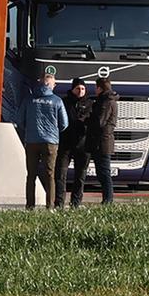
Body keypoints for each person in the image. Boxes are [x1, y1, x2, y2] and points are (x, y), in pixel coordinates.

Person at [16, 66, 68, 210]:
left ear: (40, 83)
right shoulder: (57, 101)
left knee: (31, 175)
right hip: (50, 142)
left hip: (31, 141)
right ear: (51, 85)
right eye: (54, 83)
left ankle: (30, 206)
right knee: (50, 174)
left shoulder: (29, 99)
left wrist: (29, 130)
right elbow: (64, 123)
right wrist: (54, 132)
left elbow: (19, 119)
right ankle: (50, 206)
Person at [68, 76, 120, 206]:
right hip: (99, 141)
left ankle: (108, 200)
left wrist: (85, 121)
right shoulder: (106, 100)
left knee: (104, 173)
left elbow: (99, 121)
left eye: (96, 87)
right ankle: (107, 200)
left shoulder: (106, 102)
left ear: (100, 88)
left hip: (102, 142)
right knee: (102, 172)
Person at [58, 77, 93, 207]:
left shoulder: (89, 103)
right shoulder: (64, 102)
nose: (80, 91)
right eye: (78, 88)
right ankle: (59, 202)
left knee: (80, 176)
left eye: (83, 88)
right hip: (66, 143)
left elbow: (91, 120)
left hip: (83, 144)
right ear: (72, 89)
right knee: (61, 174)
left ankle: (76, 203)